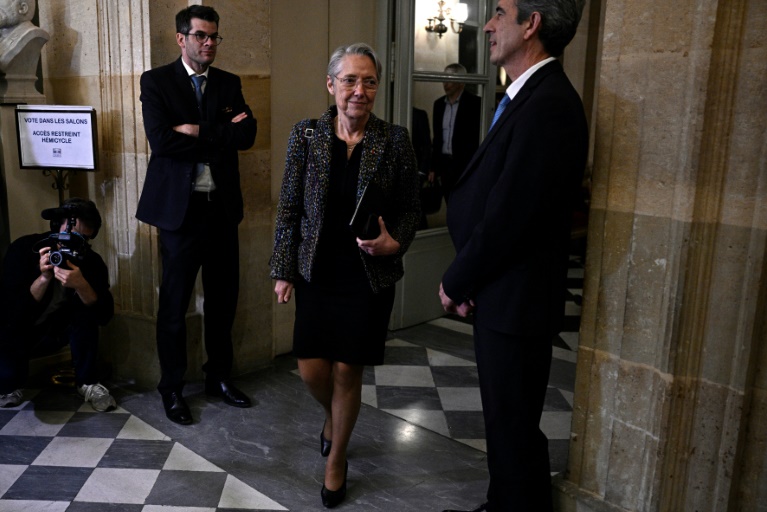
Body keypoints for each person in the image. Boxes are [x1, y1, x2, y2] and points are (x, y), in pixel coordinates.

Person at [439, 1, 588, 511]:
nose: (488, 24)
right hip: (503, 294)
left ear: (531, 24)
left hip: (517, 300)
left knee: (514, 427)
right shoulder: (531, 96)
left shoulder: (549, 103)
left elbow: (510, 215)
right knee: (506, 424)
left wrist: (456, 279)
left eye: (500, 11)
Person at [270, 43, 420, 508]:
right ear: (331, 84)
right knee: (312, 367)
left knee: (347, 370)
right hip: (317, 270)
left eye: (369, 81)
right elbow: (290, 208)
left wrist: (395, 241)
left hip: (366, 275)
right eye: (350, 80)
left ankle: (337, 459)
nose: (360, 90)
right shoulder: (307, 135)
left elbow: (411, 208)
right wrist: (284, 269)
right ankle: (333, 420)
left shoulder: (394, 140)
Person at [136, 5, 257, 425]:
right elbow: (162, 143)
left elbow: (247, 136)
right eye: (201, 36)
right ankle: (171, 388)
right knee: (174, 305)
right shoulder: (156, 82)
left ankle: (217, 378)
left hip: (220, 210)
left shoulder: (229, 83)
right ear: (181, 38)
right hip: (179, 215)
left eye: (214, 37)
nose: (209, 44)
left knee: (223, 301)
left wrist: (198, 130)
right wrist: (218, 136)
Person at [0, 198, 116, 412]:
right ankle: (11, 384)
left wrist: (82, 285)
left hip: (60, 329)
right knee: (6, 379)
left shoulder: (91, 261)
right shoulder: (24, 250)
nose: (73, 246)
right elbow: (10, 313)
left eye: (82, 240)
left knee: (85, 310)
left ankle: (87, 382)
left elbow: (104, 315)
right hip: (23, 328)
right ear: (56, 228)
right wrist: (43, 278)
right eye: (70, 238)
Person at [430, 63, 481, 201]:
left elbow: (477, 138)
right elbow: (437, 138)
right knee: (449, 204)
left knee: (465, 205)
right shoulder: (438, 105)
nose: (445, 83)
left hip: (466, 165)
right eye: (443, 78)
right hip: (445, 166)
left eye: (449, 79)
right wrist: (433, 167)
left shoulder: (475, 104)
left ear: (461, 82)